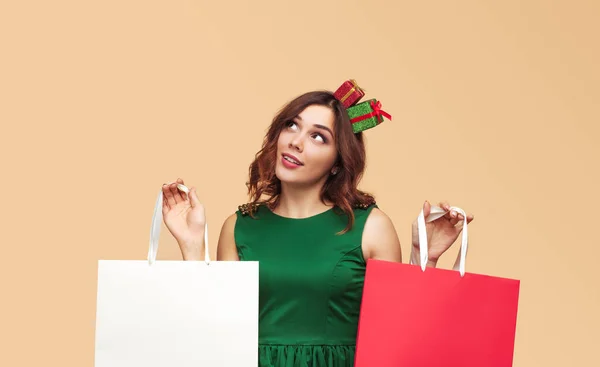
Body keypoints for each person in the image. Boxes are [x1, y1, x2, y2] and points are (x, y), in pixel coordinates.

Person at [160, 90, 474, 366]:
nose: (296, 142)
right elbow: (217, 331)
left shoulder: (370, 226)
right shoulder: (239, 227)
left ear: (338, 162)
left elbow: (397, 336)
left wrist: (425, 258)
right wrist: (191, 245)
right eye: (292, 125)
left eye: (318, 136)